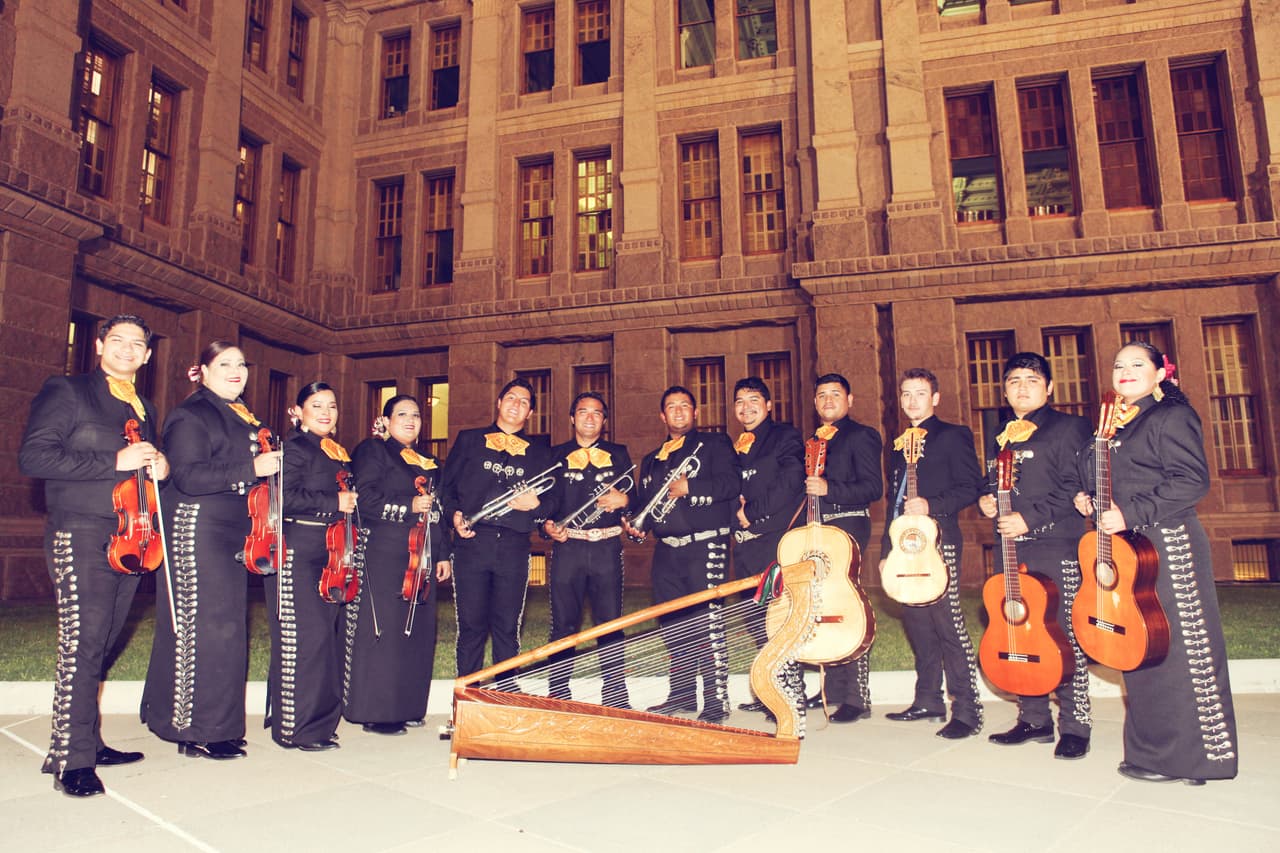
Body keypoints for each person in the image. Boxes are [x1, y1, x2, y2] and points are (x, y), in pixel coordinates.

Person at [1070, 342, 1237, 784]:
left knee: (1181, 653)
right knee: (1139, 648)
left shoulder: (1170, 416)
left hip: (1168, 545)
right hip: (1127, 550)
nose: (1125, 371)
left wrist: (1130, 512)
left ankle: (1195, 762)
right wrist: (1088, 500)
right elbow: (1108, 478)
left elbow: (1192, 482)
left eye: (1137, 364)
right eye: (1118, 364)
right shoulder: (1110, 425)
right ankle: (1149, 753)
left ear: (1161, 373)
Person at [19, 314, 169, 797]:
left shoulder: (143, 405)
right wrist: (115, 462)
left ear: (147, 356)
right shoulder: (68, 390)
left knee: (103, 641)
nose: (127, 349)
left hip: (131, 535)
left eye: (137, 344)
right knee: (83, 643)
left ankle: (87, 738)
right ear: (100, 344)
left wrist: (157, 468)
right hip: (80, 530)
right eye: (118, 340)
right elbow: (34, 457)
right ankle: (71, 758)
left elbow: (137, 472)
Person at [140, 341, 281, 760]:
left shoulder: (244, 417)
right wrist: (251, 469)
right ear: (202, 370)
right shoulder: (191, 413)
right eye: (225, 364)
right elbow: (187, 474)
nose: (236, 370)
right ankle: (193, 728)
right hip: (197, 528)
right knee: (204, 627)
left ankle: (214, 722)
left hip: (233, 530)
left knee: (228, 629)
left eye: (241, 363)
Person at [977, 352, 1092, 760]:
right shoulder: (1002, 433)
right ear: (1004, 389)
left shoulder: (1069, 428)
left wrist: (1028, 519)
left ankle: (1076, 725)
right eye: (1013, 381)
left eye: (1030, 380)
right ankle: (1034, 719)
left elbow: (1074, 486)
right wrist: (987, 501)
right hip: (1010, 547)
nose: (1021, 388)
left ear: (1049, 388)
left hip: (1053, 542)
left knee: (1058, 633)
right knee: (1017, 629)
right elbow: (992, 482)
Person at [623, 386, 740, 723]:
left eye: (684, 406)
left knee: (709, 623)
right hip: (667, 552)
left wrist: (692, 487)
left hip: (705, 545)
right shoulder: (651, 459)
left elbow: (732, 484)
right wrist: (638, 526)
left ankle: (717, 700)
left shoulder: (715, 444)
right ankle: (683, 695)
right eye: (671, 407)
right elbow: (648, 504)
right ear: (662, 416)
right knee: (673, 626)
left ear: (695, 412)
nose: (677, 412)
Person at [878, 368, 984, 738]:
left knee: (948, 625)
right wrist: (885, 550)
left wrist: (932, 504)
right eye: (906, 394)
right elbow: (894, 503)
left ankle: (968, 711)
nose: (912, 401)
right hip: (903, 548)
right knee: (917, 624)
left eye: (920, 393)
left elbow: (971, 486)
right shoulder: (896, 443)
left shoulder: (953, 435)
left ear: (935, 398)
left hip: (939, 543)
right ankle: (928, 700)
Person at [344, 395, 452, 734]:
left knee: (417, 630)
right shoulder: (373, 451)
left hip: (422, 553)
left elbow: (438, 513)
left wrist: (444, 553)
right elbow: (365, 498)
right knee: (385, 630)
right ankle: (376, 710)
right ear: (386, 421)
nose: (410, 420)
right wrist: (408, 505)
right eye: (402, 414)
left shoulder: (430, 461)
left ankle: (407, 704)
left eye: (417, 415)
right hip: (384, 551)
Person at [439, 378, 552, 684]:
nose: (517, 405)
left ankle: (504, 694)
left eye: (524, 402)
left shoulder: (540, 452)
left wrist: (535, 504)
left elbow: (552, 503)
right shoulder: (470, 440)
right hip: (473, 544)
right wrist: (453, 517)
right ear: (499, 403)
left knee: (506, 626)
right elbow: (445, 490)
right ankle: (467, 694)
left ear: (530, 413)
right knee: (471, 625)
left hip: (514, 547)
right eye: (511, 398)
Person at [267, 382, 358, 751]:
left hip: (332, 551)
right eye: (316, 405)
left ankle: (319, 720)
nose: (325, 412)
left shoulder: (336, 452)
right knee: (304, 639)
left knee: (325, 638)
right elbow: (283, 497)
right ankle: (295, 728)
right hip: (299, 549)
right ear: (298, 411)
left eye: (332, 406)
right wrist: (333, 501)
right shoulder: (294, 448)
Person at [542, 392, 633, 708]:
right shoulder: (556, 455)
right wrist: (548, 525)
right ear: (572, 418)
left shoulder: (619, 453)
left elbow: (632, 494)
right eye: (583, 412)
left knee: (609, 622)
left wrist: (626, 501)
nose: (590, 417)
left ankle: (615, 695)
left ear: (604, 421)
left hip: (607, 547)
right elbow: (550, 501)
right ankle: (558, 693)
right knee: (564, 623)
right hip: (570, 549)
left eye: (597, 413)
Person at [803, 373, 883, 723]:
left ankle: (856, 695)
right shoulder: (811, 440)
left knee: (848, 605)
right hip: (818, 528)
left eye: (836, 394)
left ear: (850, 400)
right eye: (822, 395)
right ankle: (831, 689)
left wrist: (828, 488)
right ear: (815, 403)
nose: (829, 400)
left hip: (848, 524)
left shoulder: (862, 435)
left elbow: (872, 487)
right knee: (824, 605)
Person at [729, 377, 805, 716]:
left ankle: (792, 693)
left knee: (778, 620)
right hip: (743, 547)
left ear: (769, 405)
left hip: (772, 543)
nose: (747, 407)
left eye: (754, 400)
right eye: (740, 401)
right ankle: (769, 690)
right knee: (755, 621)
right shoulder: (734, 445)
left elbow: (791, 481)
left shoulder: (784, 436)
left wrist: (751, 512)